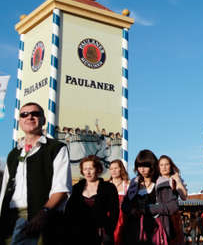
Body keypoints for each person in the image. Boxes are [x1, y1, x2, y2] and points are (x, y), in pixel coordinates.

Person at [0, 102, 72, 244]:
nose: (30, 117)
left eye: (35, 114)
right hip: (10, 219)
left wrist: (43, 214)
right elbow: (4, 192)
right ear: (20, 121)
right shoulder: (13, 154)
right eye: (24, 114)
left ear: (43, 120)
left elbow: (61, 188)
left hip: (38, 216)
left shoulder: (56, 148)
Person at [122, 150, 178, 244]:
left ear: (152, 166)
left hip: (157, 230)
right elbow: (125, 205)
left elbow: (173, 206)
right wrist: (132, 210)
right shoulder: (134, 183)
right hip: (135, 232)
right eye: (139, 166)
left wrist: (149, 209)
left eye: (145, 166)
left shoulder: (162, 183)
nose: (142, 169)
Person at [65, 155, 119, 245]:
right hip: (79, 235)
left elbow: (114, 212)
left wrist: (108, 233)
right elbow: (69, 212)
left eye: (91, 168)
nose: (88, 172)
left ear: (98, 169)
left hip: (101, 235)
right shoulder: (76, 188)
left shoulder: (109, 187)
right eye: (85, 169)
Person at [158, 155, 187, 245]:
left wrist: (177, 180)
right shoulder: (156, 180)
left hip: (173, 216)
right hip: (159, 215)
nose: (164, 167)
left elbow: (184, 196)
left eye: (166, 164)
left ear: (171, 166)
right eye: (161, 165)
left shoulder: (175, 178)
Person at [109, 159, 130, 245]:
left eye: (116, 168)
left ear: (121, 169)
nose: (113, 171)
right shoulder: (106, 185)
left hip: (124, 219)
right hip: (110, 219)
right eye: (111, 169)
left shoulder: (128, 185)